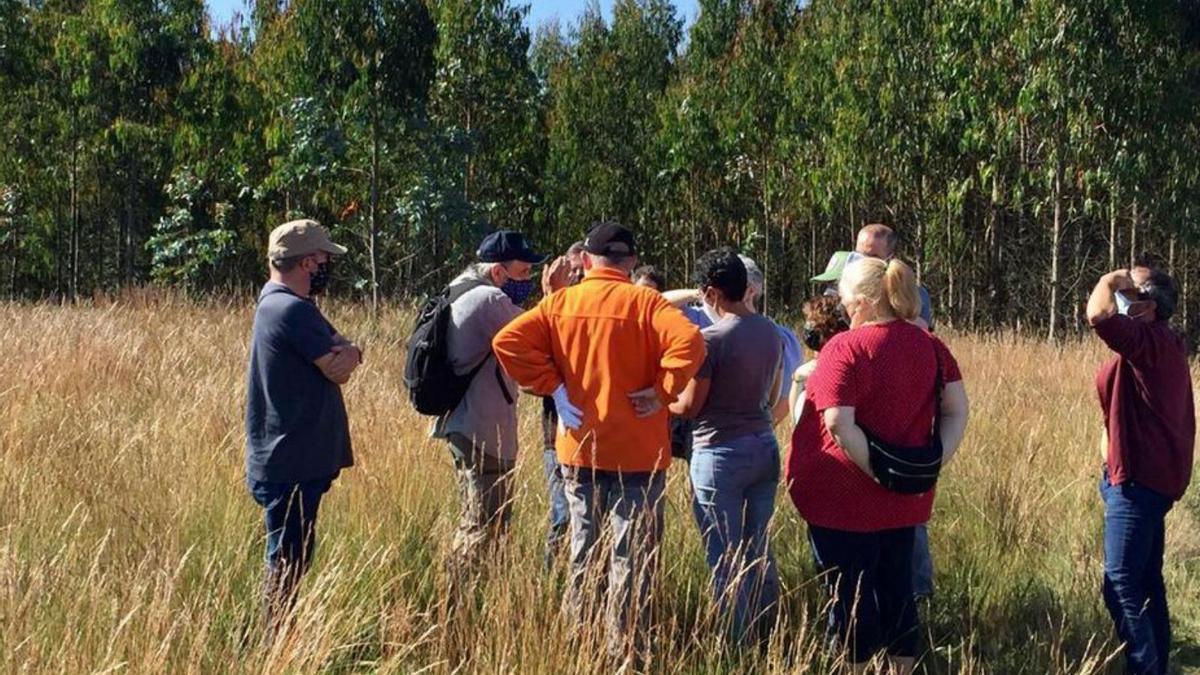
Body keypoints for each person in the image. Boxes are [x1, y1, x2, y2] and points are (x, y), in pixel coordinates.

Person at [493, 222, 705, 664]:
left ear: (586, 260)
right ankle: (627, 653)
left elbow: (507, 341)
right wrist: (663, 390)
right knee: (634, 555)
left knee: (583, 548)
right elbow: (690, 342)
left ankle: (580, 644)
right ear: (629, 264)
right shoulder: (646, 303)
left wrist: (552, 386)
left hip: (578, 449)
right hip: (638, 453)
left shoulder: (561, 303)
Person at [789, 256, 968, 673]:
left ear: (865, 302)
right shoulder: (932, 346)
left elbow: (836, 421)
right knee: (897, 592)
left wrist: (873, 469)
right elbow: (957, 408)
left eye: (845, 298)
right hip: (906, 497)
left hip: (842, 500)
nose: (841, 305)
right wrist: (933, 461)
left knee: (849, 596)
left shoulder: (845, 346)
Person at [244, 219, 362, 639]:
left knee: (291, 554)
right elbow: (339, 365)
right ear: (309, 262)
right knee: (288, 560)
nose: (328, 265)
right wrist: (352, 352)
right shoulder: (291, 309)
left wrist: (345, 350)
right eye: (325, 258)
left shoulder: (281, 302)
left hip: (288, 459)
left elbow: (337, 353)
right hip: (291, 461)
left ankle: (278, 639)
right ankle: (276, 645)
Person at [812, 225, 937, 597]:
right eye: (860, 252)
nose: (863, 259)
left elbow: (919, 331)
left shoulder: (914, 293)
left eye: (872, 254)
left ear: (890, 258)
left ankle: (912, 593)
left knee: (904, 521)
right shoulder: (841, 289)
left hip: (898, 424)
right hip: (852, 411)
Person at [668, 249, 783, 644]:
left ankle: (737, 642)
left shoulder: (709, 341)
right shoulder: (770, 330)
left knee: (725, 555)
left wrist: (658, 398)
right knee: (759, 547)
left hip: (719, 454)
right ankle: (770, 628)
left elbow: (690, 406)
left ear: (713, 292)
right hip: (764, 446)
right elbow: (770, 392)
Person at [1086, 260, 1194, 675]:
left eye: (1130, 290)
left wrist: (1108, 279)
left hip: (1139, 481)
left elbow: (1097, 314)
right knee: (1145, 580)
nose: (1120, 292)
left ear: (1147, 307)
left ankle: (1144, 668)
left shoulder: (1151, 342)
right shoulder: (1156, 342)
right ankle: (1157, 664)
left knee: (1120, 585)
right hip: (1136, 477)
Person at [431, 230, 544, 575]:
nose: (528, 281)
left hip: (464, 422)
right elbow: (537, 339)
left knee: (478, 516)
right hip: (482, 428)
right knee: (483, 523)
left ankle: (469, 594)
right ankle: (456, 600)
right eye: (524, 273)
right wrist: (555, 296)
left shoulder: (457, 289)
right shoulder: (490, 301)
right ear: (498, 272)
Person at [664, 254, 803, 425]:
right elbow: (654, 303)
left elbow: (688, 406)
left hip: (714, 438)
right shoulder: (774, 334)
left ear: (750, 292)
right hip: (758, 436)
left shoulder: (708, 337)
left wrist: (661, 398)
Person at [538, 241, 585, 568]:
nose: (577, 278)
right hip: (557, 435)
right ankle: (550, 578)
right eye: (571, 272)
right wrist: (550, 297)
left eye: (582, 272)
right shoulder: (552, 313)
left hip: (599, 439)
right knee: (562, 515)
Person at [788, 294, 850, 424]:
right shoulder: (811, 368)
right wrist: (797, 378)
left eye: (812, 322)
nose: (808, 328)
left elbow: (796, 419)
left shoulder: (834, 365)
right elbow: (794, 420)